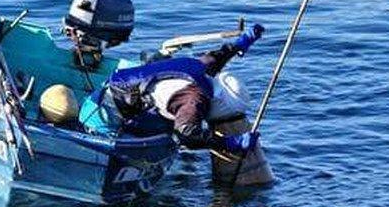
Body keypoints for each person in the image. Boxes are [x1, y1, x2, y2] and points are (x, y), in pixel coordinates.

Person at [82, 24, 265, 155]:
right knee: (172, 133)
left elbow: (219, 55)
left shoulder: (201, 69)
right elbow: (187, 135)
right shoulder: (194, 99)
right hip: (103, 115)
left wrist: (243, 43)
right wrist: (229, 143)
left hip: (107, 91)